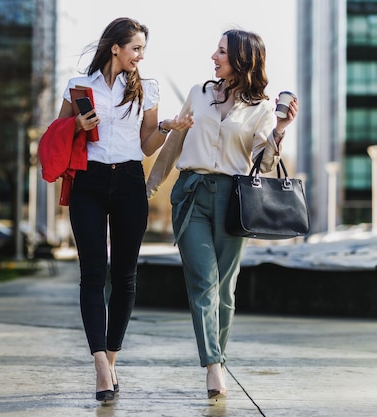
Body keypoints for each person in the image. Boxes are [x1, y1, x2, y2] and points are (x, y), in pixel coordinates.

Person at [146, 29, 298, 400]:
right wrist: (148, 189)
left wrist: (279, 129)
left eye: (222, 52)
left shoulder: (261, 108)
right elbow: (173, 145)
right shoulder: (198, 94)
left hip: (234, 199)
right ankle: (213, 366)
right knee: (203, 281)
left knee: (225, 291)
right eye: (217, 50)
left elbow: (262, 164)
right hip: (191, 194)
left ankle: (218, 360)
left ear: (243, 60)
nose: (214, 57)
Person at [56, 17, 192, 403]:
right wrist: (79, 126)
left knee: (125, 276)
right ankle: (100, 365)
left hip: (130, 181)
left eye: (143, 49)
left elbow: (148, 146)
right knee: (92, 274)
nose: (140, 55)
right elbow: (60, 135)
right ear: (115, 47)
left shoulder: (146, 88)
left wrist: (167, 126)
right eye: (136, 48)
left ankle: (111, 356)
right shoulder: (79, 87)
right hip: (89, 183)